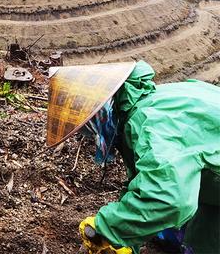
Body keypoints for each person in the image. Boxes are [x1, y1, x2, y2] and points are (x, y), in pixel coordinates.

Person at [46, 61, 220, 254]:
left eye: (90, 128)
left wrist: (107, 230)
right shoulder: (160, 99)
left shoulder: (151, 124)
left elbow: (168, 199)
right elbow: (153, 177)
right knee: (202, 242)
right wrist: (126, 241)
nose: (90, 135)